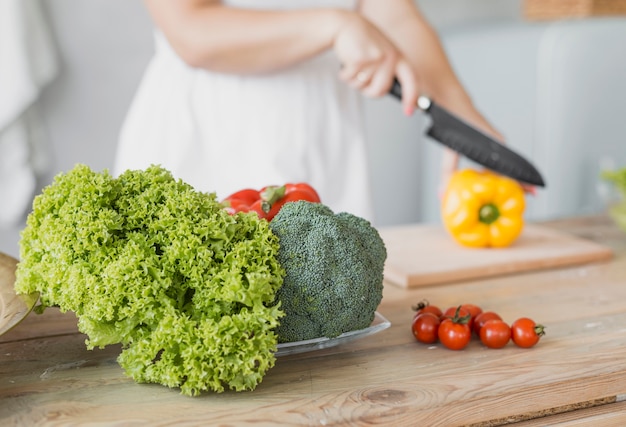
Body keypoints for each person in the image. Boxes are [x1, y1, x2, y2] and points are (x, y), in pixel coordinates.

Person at [114, 0, 502, 222]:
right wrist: (334, 26)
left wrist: (459, 112)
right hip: (211, 133)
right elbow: (191, 32)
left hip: (322, 135)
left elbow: (390, 11)